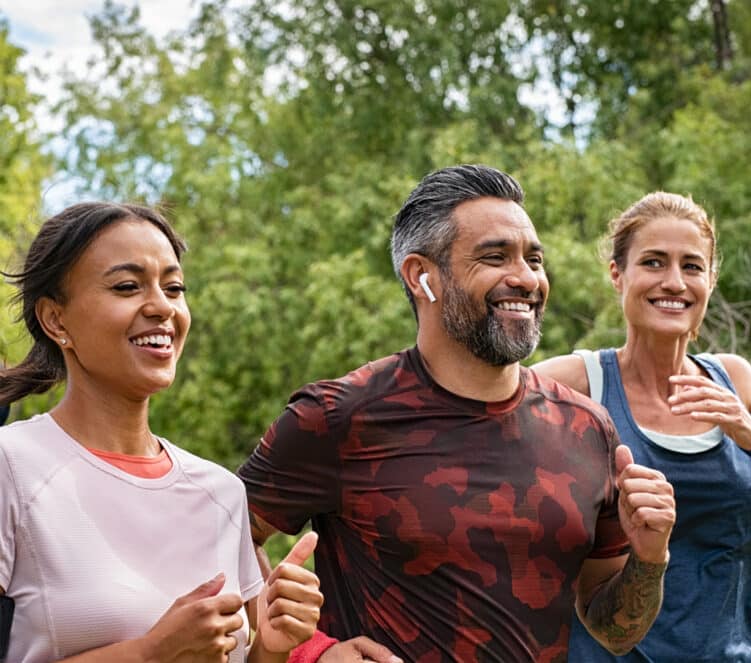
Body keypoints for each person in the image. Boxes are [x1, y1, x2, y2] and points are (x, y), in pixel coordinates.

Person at [238, 165, 677, 663]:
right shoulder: (338, 417)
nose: (526, 278)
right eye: (495, 257)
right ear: (421, 277)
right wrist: (310, 651)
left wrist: (649, 558)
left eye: (534, 259)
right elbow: (217, 543)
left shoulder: (586, 428)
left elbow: (614, 632)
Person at [0, 202, 325, 662]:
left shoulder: (222, 493)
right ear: (56, 319)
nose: (161, 307)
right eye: (127, 286)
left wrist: (270, 648)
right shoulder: (12, 465)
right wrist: (151, 654)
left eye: (174, 288)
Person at [532, 192, 751, 662]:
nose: (674, 282)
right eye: (654, 262)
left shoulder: (735, 379)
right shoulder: (575, 384)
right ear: (618, 274)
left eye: (692, 266)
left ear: (711, 280)